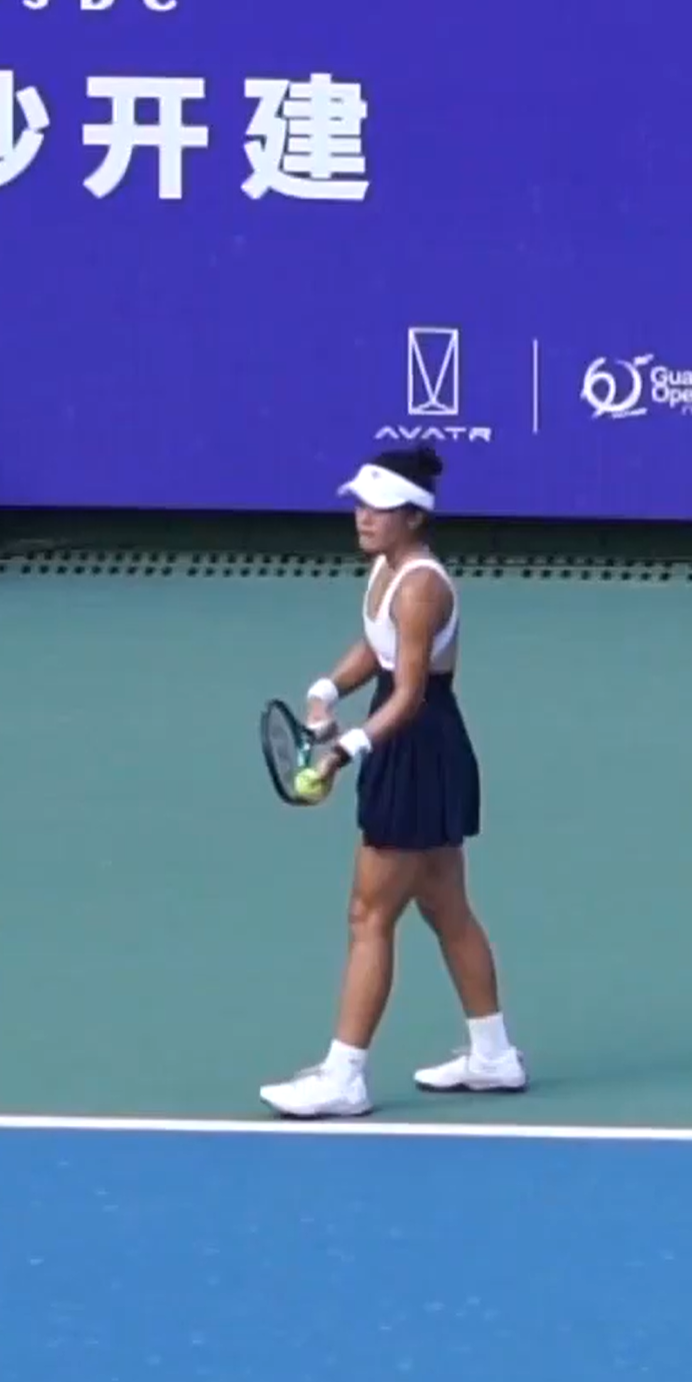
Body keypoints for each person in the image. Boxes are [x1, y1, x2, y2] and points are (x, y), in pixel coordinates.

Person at [258, 445, 522, 1119]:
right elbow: (373, 647)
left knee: (368, 914)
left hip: (415, 742)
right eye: (358, 502)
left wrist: (346, 746)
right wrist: (326, 688)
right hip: (413, 742)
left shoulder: (422, 587)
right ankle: (492, 1055)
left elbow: (406, 692)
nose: (361, 516)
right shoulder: (385, 569)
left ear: (412, 514)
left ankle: (345, 1074)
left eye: (376, 506)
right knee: (444, 905)